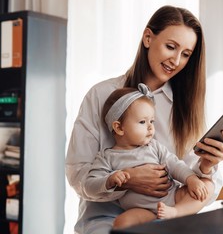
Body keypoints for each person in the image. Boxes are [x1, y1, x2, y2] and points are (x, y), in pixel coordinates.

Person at [66, 5, 223, 234]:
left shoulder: (185, 107)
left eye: (185, 54)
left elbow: (202, 186)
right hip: (104, 220)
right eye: (170, 47)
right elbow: (78, 175)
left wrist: (207, 166)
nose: (176, 60)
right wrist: (128, 180)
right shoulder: (101, 94)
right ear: (147, 38)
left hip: (164, 216)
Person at [84, 83, 214, 229]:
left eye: (151, 121)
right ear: (119, 127)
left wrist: (191, 179)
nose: (151, 127)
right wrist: (109, 180)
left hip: (173, 198)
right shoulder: (107, 157)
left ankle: (177, 213)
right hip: (143, 211)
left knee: (208, 185)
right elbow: (89, 186)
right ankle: (165, 219)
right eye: (142, 122)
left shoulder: (154, 147)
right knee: (121, 223)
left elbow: (175, 165)